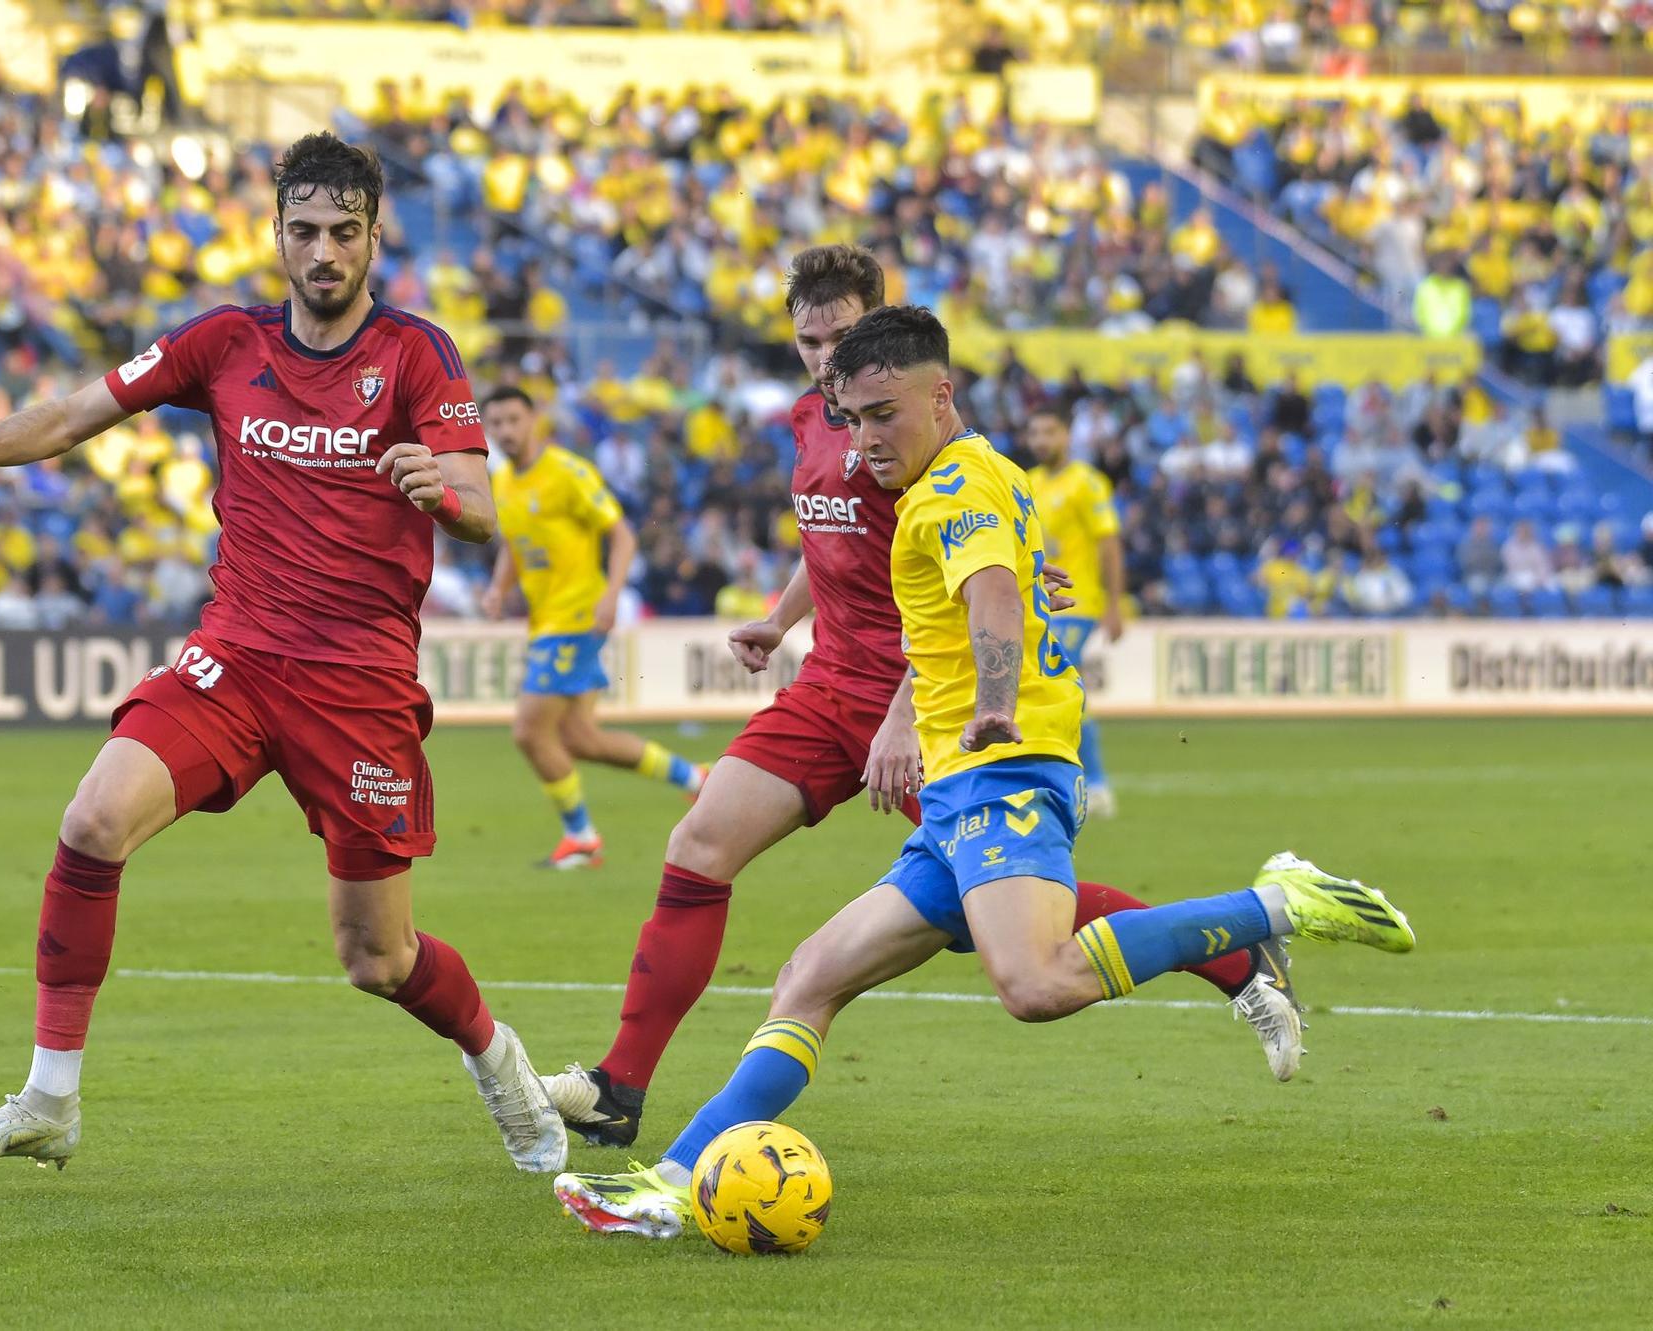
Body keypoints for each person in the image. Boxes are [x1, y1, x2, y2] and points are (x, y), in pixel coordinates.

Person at [550, 306, 1415, 1241]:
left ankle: (1276, 903)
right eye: (854, 418)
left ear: (940, 393)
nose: (868, 438)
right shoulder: (962, 479)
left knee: (1034, 983)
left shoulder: (956, 484)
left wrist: (992, 700)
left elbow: (992, 596)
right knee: (807, 980)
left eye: (886, 413)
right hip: (959, 791)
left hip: (1003, 770)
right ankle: (677, 1181)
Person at [0, 132, 566, 1178]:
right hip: (236, 660)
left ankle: (501, 1062)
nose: (324, 252)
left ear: (373, 239)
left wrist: (445, 492)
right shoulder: (222, 342)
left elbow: (479, 499)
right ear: (278, 237)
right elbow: (75, 413)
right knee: (92, 819)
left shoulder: (417, 355)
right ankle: (47, 1097)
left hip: (357, 686)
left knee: (377, 957)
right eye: (305, 232)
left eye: (345, 233)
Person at [478, 385, 705, 870]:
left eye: (513, 420)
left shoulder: (566, 472)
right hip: (547, 621)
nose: (505, 431)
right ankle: (694, 778)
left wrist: (611, 595)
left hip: (577, 617)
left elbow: (620, 534)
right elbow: (515, 547)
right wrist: (500, 588)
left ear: (534, 418)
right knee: (581, 739)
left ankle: (581, 836)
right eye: (495, 423)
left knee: (529, 731)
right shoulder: (503, 483)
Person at [1025, 403, 1125, 817]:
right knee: (1053, 691)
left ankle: (1095, 784)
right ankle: (1070, 783)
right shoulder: (1028, 482)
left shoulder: (1088, 483)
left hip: (1079, 601)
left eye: (1050, 431)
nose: (1041, 441)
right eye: (1035, 433)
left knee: (1064, 690)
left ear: (1067, 435)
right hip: (1040, 603)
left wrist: (1115, 602)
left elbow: (1108, 542)